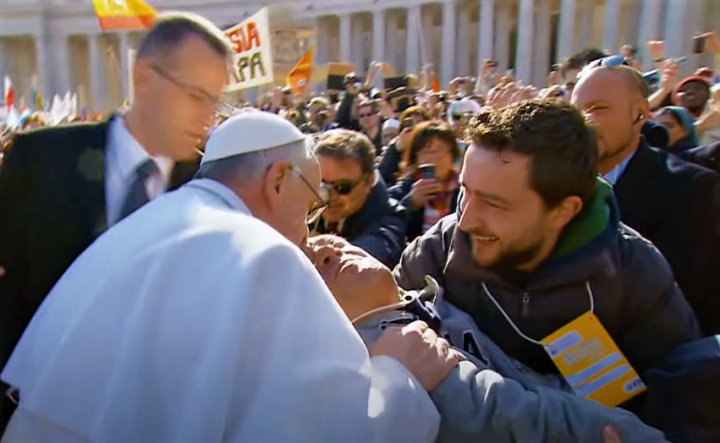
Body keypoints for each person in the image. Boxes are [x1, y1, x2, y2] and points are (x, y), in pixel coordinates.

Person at [0, 112, 458, 442]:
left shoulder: (148, 222)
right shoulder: (265, 254)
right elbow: (335, 431)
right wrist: (398, 374)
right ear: (278, 180)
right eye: (312, 202)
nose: (311, 226)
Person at [393, 100, 702, 433]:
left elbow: (686, 399)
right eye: (466, 191)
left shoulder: (633, 271)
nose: (466, 220)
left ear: (563, 211)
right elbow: (384, 322)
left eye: (494, 203)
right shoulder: (439, 247)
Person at [0, 12, 232, 429]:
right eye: (197, 96)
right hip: (32, 414)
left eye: (216, 102)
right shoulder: (39, 160)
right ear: (144, 77)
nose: (209, 118)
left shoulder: (215, 188)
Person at [304, 234, 670, 443]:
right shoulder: (387, 360)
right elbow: (506, 416)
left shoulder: (438, 290)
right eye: (308, 264)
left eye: (330, 240)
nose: (325, 251)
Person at [572, 65, 720, 336]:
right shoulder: (552, 182)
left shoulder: (690, 187)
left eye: (598, 109)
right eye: (576, 111)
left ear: (640, 112)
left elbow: (668, 292)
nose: (584, 121)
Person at [310, 129, 408, 267]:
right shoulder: (307, 204)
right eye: (322, 184)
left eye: (342, 187)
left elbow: (359, 264)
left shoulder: (389, 220)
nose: (328, 197)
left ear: (368, 181)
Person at [389, 122, 462, 240]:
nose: (432, 158)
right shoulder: (401, 191)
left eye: (439, 150)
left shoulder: (466, 190)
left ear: (452, 154)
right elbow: (388, 229)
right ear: (415, 158)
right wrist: (411, 204)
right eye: (426, 152)